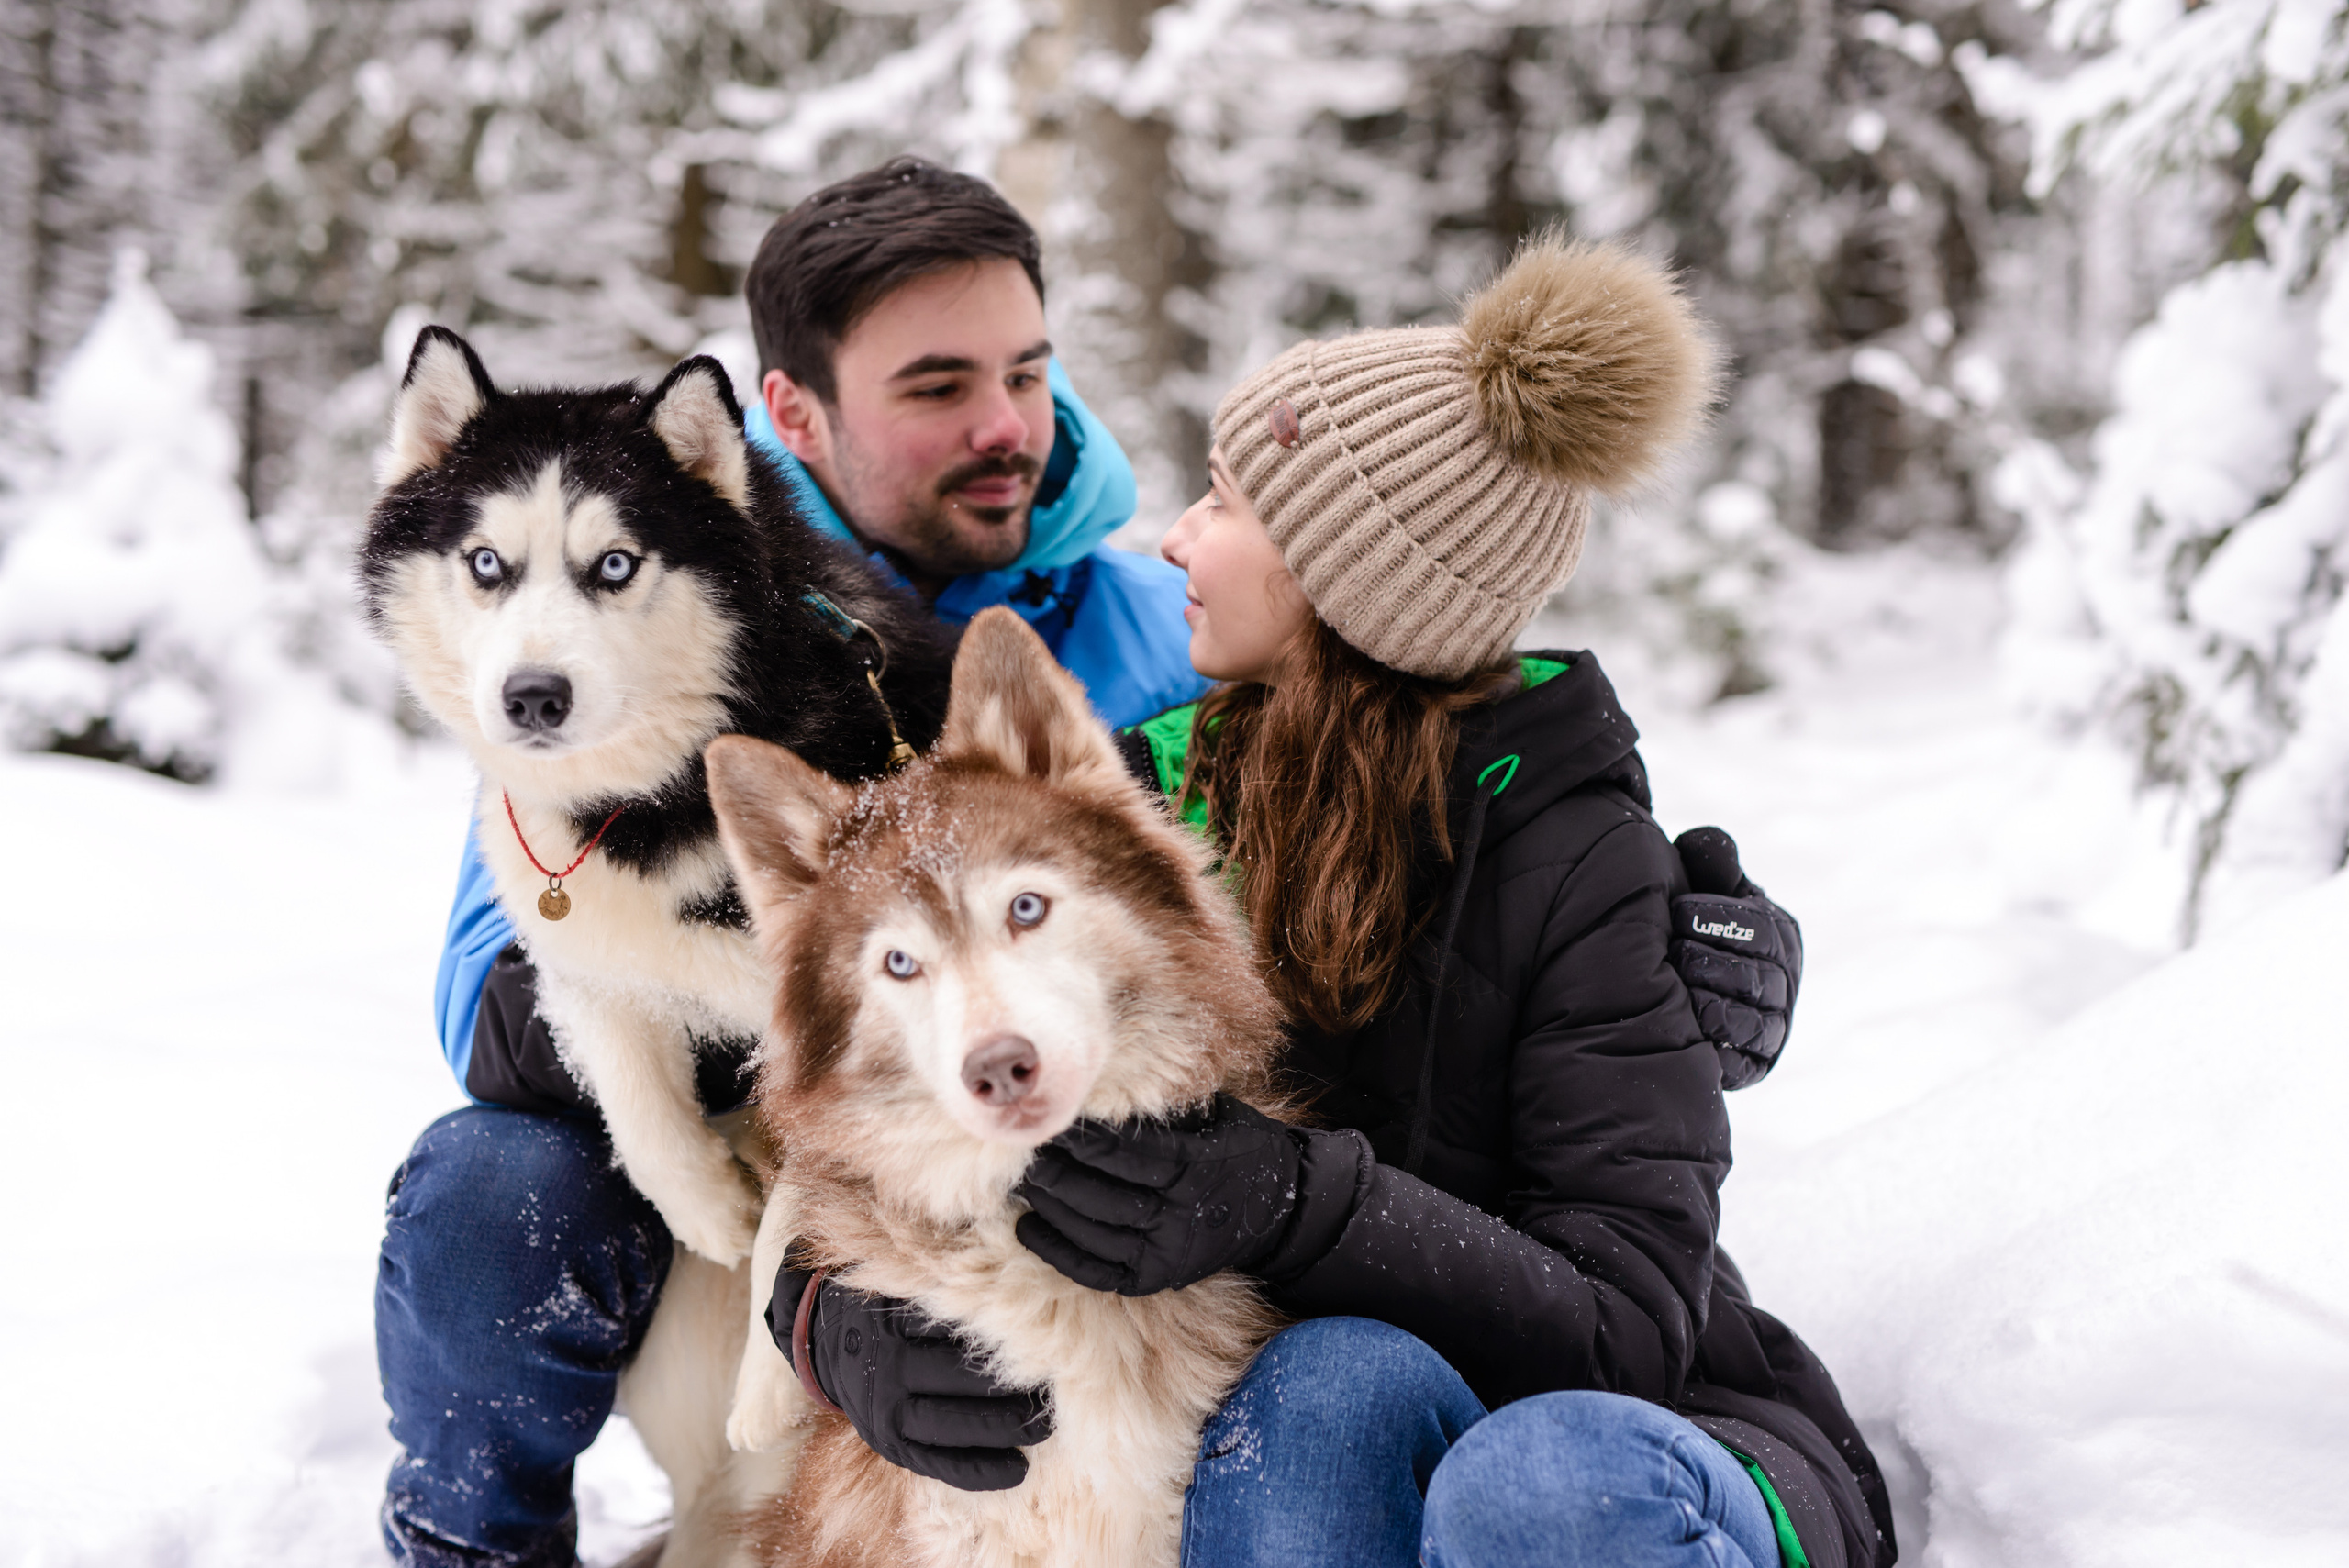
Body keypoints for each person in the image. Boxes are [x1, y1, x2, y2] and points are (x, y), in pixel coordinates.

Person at [378, 158, 1803, 1565]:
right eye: (939, 388)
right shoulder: (646, 645)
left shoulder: (1160, 646)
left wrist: (1690, 936)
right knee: (492, 1182)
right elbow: (499, 993)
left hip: (1336, 1310)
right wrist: (827, 1303)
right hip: (798, 1200)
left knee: (1329, 1395)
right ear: (792, 418)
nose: (1010, 424)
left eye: (1028, 369)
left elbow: (1464, 819)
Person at [774, 234, 1878, 1567]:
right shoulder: (1155, 806)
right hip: (1340, 1415)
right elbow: (879, 1087)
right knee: (1315, 1394)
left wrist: (1296, 1201)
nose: (1176, 534)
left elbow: (1628, 1331)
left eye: (1228, 502)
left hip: (1634, 1448)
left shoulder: (1584, 865)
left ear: (1348, 576)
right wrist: (823, 1315)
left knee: (1525, 1484)